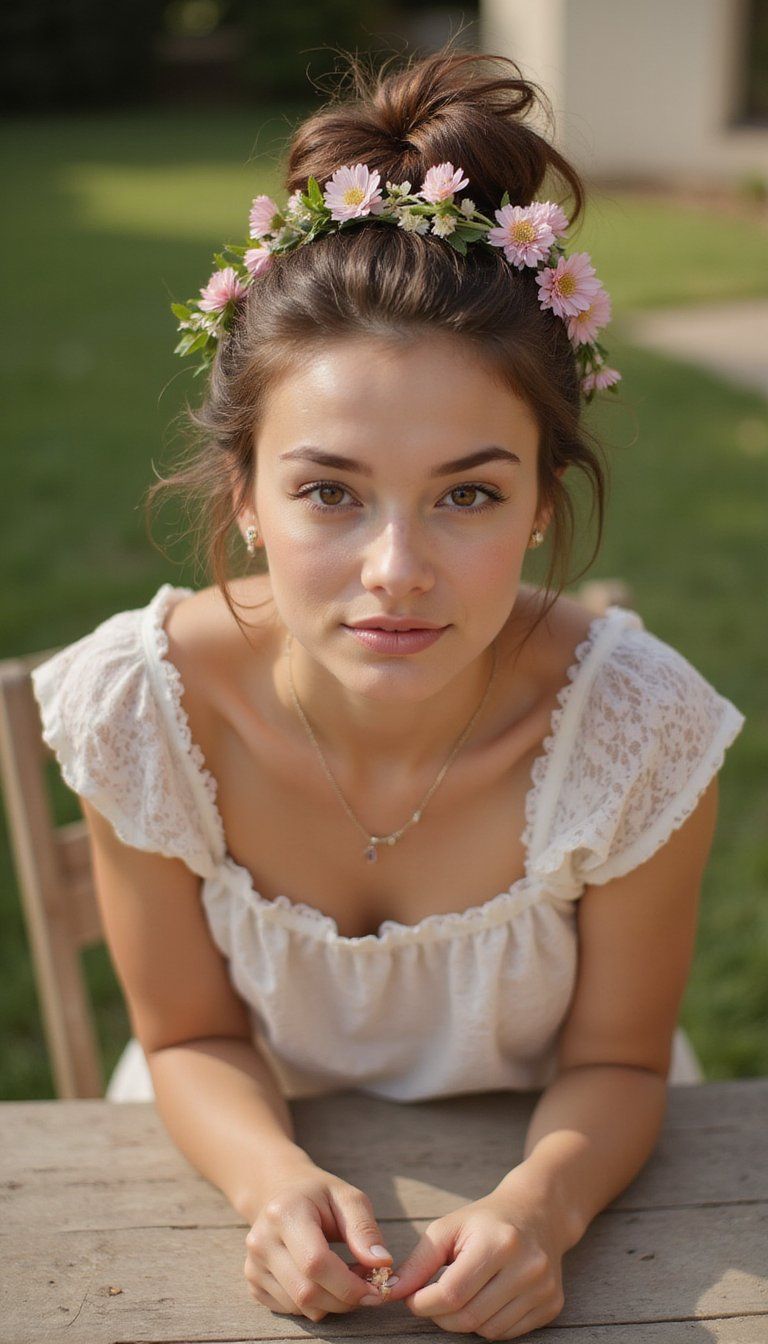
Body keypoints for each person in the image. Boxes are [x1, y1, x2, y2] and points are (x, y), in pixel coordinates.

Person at [31, 45, 746, 1341]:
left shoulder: (639, 731)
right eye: (329, 491)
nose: (397, 574)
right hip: (212, 1180)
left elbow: (621, 1060)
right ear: (244, 494)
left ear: (541, 504)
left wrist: (540, 1208)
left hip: (566, 1179)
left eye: (469, 493)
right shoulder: (146, 710)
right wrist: (273, 1182)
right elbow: (187, 1037)